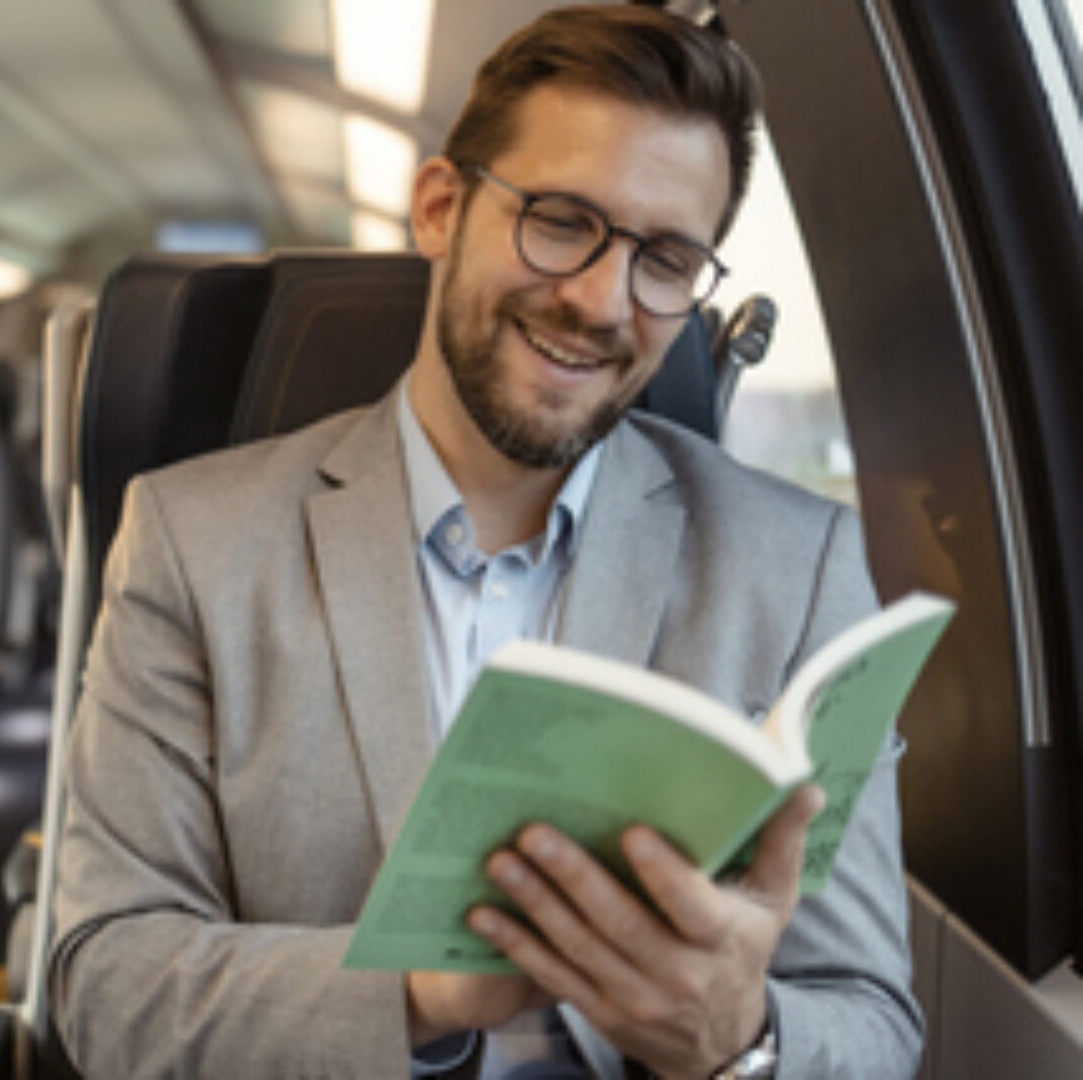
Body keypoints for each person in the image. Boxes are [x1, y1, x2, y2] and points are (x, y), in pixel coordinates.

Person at [48, 6, 921, 1079]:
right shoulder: (196, 542)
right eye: (561, 220)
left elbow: (874, 1025)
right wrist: (423, 994)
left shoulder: (801, 568)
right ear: (439, 208)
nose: (601, 300)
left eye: (666, 259)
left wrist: (740, 1044)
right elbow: (105, 988)